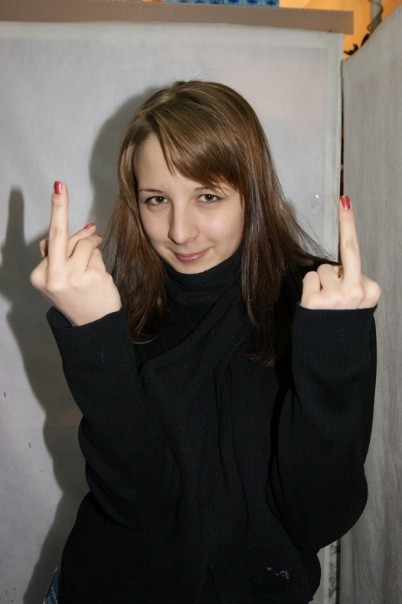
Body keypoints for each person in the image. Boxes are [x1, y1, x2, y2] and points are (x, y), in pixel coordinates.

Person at [31, 80, 380, 604]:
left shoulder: (318, 303)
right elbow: (139, 505)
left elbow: (315, 518)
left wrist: (334, 349)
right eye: (156, 199)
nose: (180, 231)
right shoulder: (115, 304)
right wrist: (93, 336)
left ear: (252, 192)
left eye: (208, 196)